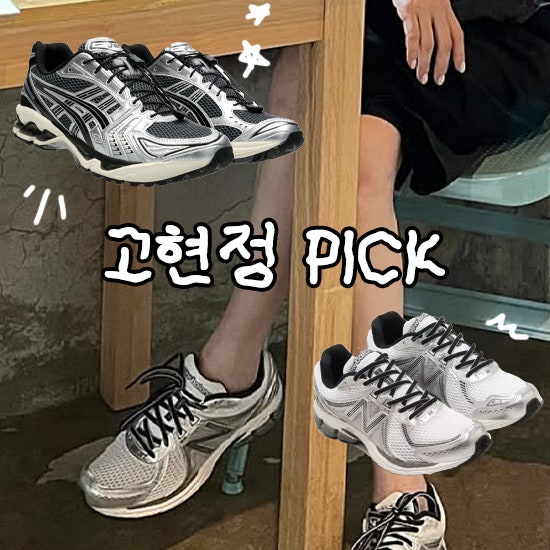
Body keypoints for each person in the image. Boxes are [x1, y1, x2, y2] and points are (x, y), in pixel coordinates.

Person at [79, 0, 550, 547]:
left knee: (334, 127)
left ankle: (240, 383)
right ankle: (390, 467)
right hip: (377, 27)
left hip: (503, 39)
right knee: (307, 77)